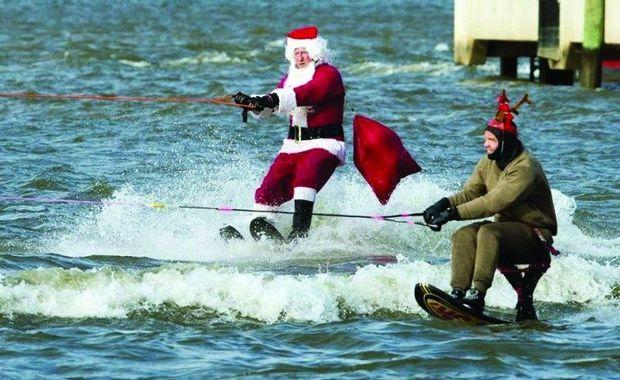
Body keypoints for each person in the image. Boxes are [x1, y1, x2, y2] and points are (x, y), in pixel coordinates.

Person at [423, 91, 557, 316]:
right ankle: (457, 293)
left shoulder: (525, 168)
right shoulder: (489, 161)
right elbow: (470, 193)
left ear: (505, 142)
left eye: (491, 140)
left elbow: (492, 202)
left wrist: (452, 214)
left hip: (535, 236)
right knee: (463, 235)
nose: (485, 145)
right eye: (485, 139)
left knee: (487, 232)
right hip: (505, 230)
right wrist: (441, 205)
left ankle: (477, 296)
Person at [233, 25, 345, 241]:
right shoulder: (290, 79)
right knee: (268, 188)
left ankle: (299, 235)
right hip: (294, 144)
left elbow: (308, 93)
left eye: (304, 52)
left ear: (315, 53)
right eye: (296, 53)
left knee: (306, 175)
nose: (300, 58)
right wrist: (253, 103)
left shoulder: (329, 75)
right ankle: (259, 229)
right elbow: (276, 99)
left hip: (324, 144)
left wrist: (270, 100)